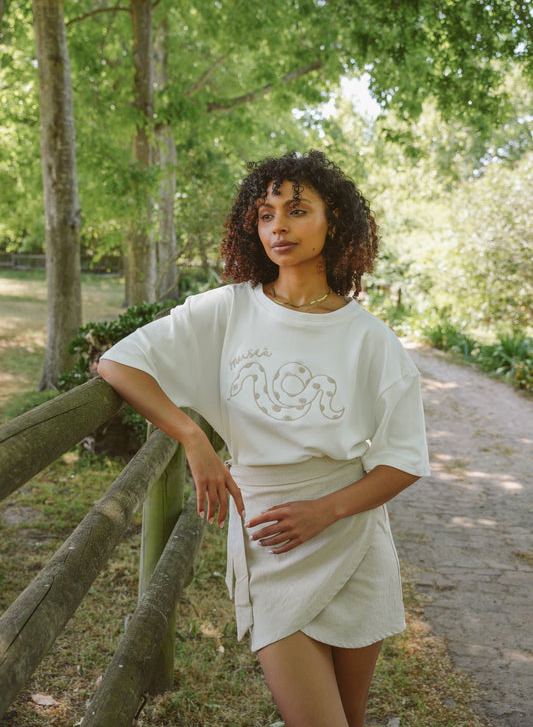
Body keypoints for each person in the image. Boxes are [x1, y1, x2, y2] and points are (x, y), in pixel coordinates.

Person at [98, 150, 430, 727]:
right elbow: (118, 363)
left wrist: (326, 511)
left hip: (352, 536)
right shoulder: (227, 310)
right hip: (271, 538)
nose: (279, 225)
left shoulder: (372, 340)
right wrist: (193, 439)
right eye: (266, 213)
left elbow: (404, 459)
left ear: (335, 222)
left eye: (297, 210)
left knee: (350, 720)